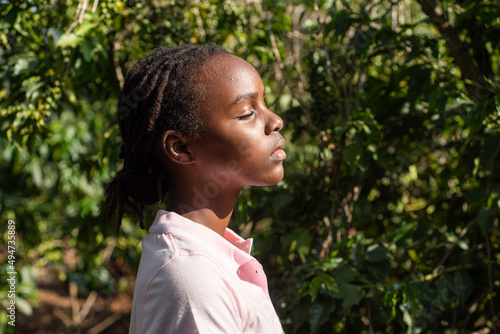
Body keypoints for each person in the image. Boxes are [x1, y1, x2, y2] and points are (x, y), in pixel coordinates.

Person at [103, 44, 286, 333]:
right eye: (247, 113)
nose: (275, 121)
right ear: (182, 148)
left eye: (264, 103)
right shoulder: (193, 281)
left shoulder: (207, 258)